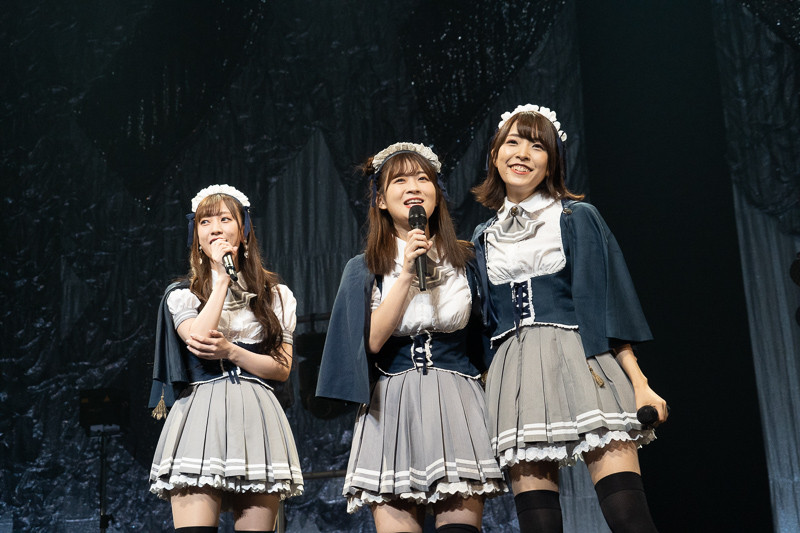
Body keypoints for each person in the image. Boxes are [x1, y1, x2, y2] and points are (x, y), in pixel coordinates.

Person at [471, 105, 668, 533]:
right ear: (495, 155)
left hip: (582, 362)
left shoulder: (576, 217)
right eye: (513, 142)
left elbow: (609, 305)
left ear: (552, 161)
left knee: (628, 515)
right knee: (539, 525)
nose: (523, 154)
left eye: (537, 146)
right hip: (515, 378)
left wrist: (640, 383)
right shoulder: (483, 237)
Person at [316, 143, 506, 533]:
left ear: (437, 194)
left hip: (458, 400)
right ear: (381, 200)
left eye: (423, 179)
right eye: (400, 180)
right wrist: (405, 275)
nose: (414, 187)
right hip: (392, 406)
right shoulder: (365, 268)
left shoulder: (467, 260)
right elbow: (371, 342)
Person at [148, 184, 303, 533]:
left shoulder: (276, 296)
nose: (215, 228)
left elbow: (281, 368)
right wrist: (220, 281)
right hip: (200, 415)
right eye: (205, 222)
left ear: (244, 231)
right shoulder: (183, 295)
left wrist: (232, 351)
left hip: (256, 415)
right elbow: (199, 340)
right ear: (197, 238)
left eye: (224, 219)